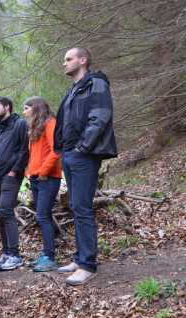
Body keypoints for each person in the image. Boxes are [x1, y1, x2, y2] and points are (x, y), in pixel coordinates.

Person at [54, 47, 117, 285]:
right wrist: (64, 150)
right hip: (70, 154)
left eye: (68, 59)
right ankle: (80, 258)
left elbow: (100, 117)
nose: (65, 63)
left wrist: (83, 147)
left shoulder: (97, 85)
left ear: (83, 60)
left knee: (82, 207)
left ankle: (88, 265)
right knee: (76, 206)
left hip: (84, 154)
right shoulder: (73, 90)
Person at [0, 97, 29, 271]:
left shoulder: (20, 124)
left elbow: (25, 150)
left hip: (10, 175)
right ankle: (7, 252)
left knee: (5, 210)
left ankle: (15, 255)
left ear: (7, 107)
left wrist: (14, 171)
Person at [23, 97, 62, 272]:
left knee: (43, 215)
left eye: (26, 108)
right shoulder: (35, 127)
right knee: (42, 216)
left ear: (36, 108)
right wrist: (29, 172)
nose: (24, 112)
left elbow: (56, 150)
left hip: (48, 178)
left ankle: (50, 257)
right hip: (36, 178)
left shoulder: (50, 123)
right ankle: (47, 252)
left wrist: (43, 171)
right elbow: (35, 155)